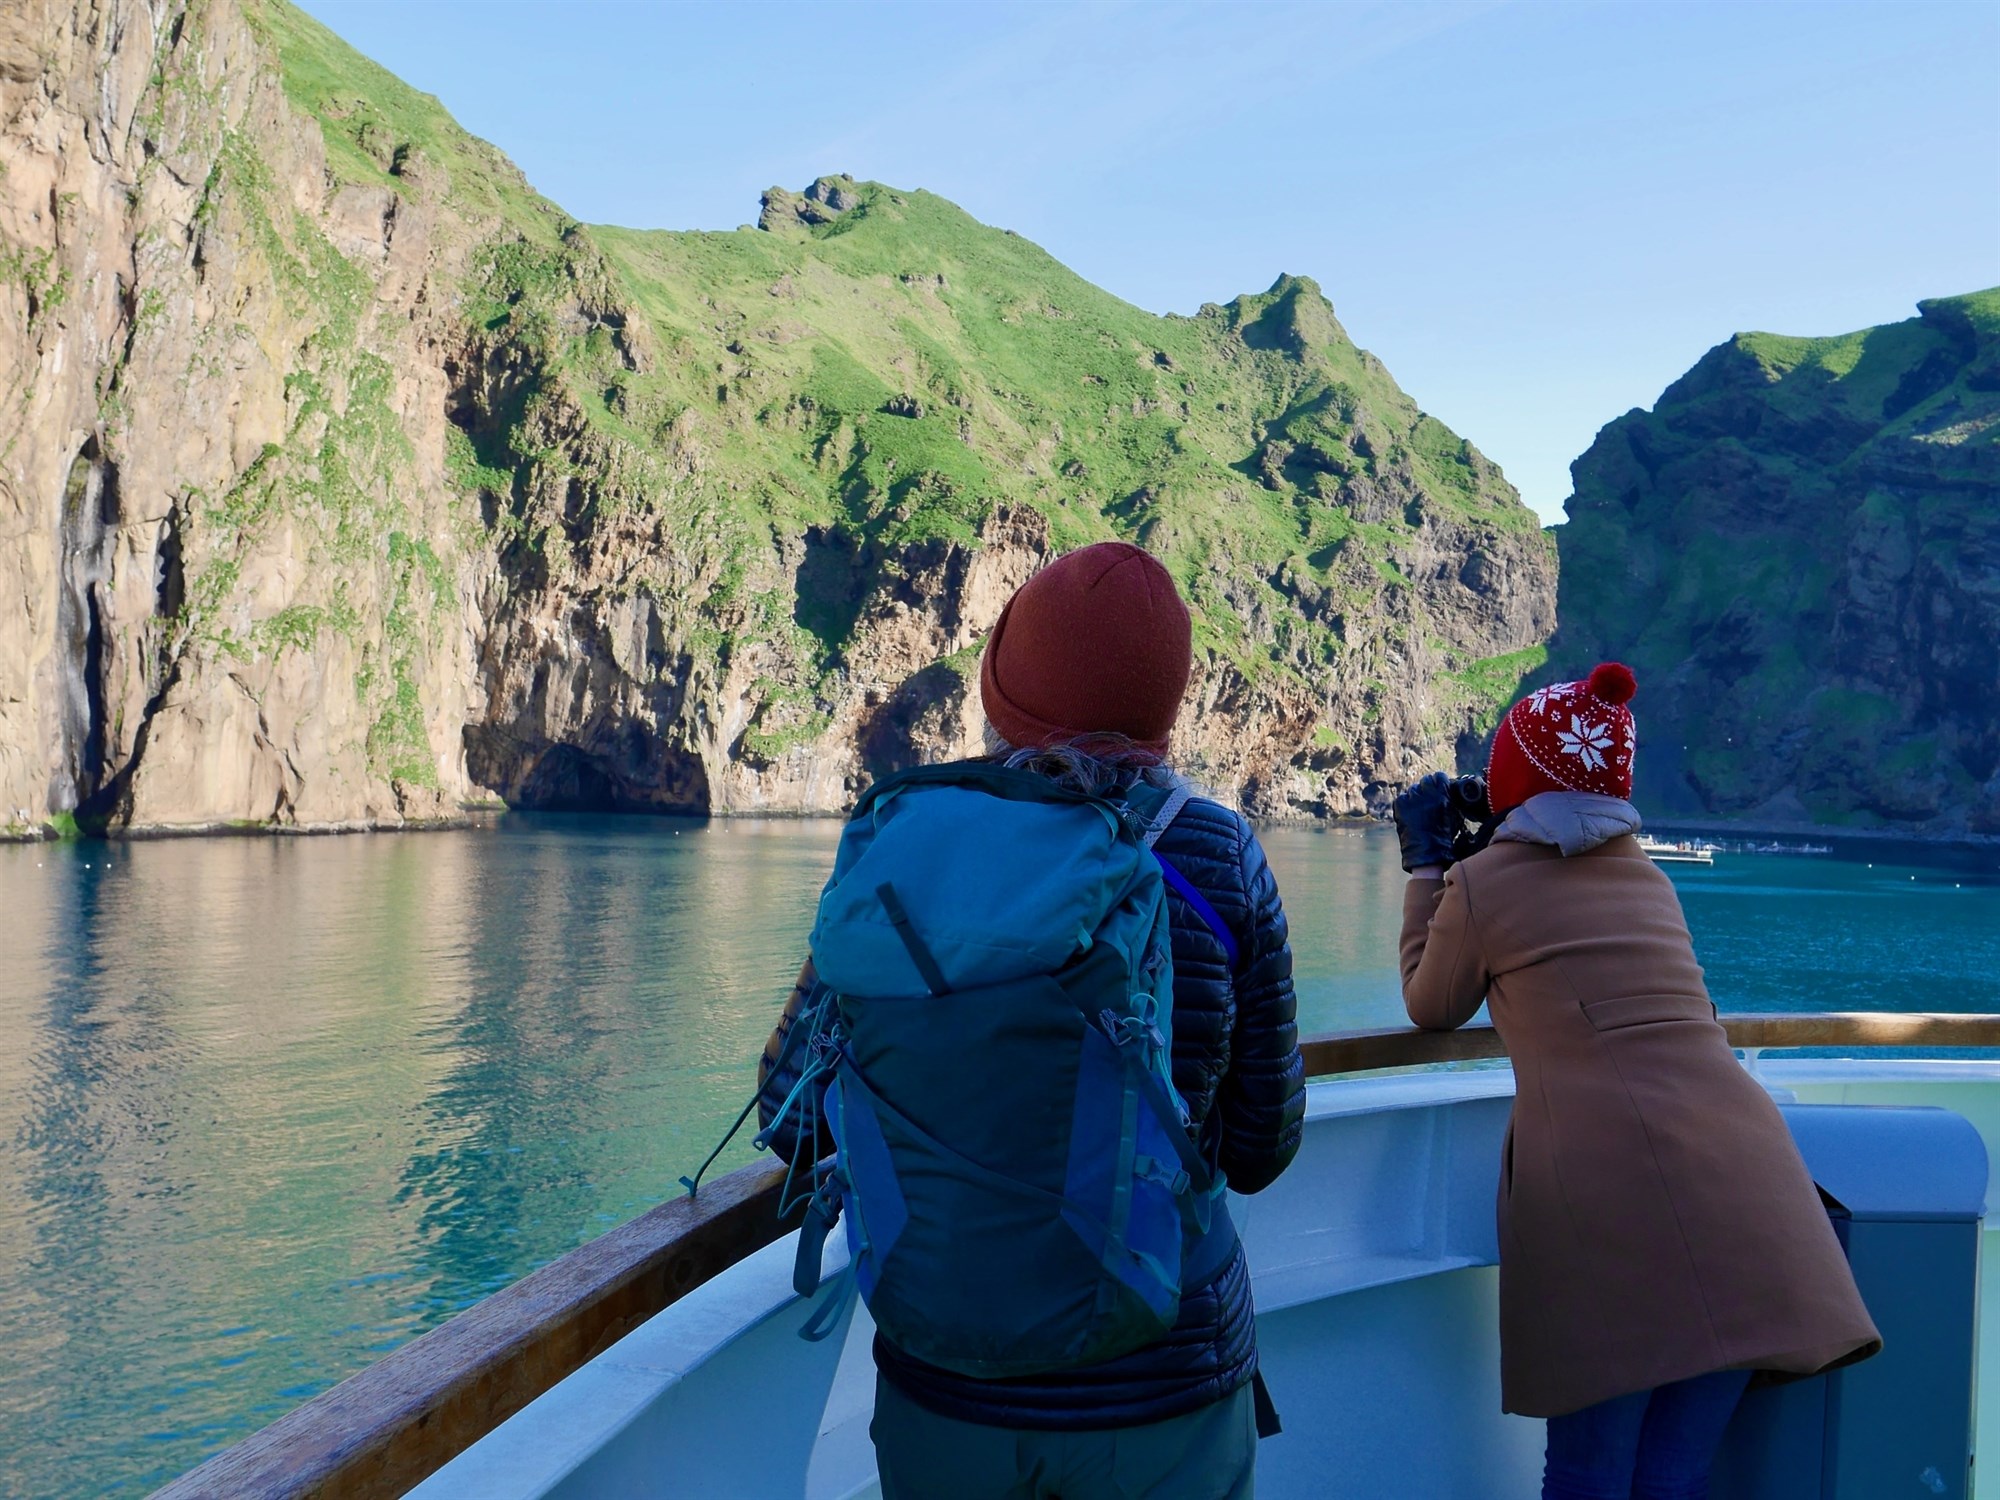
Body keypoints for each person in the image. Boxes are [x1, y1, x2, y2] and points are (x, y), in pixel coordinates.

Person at [756, 541, 1306, 1500]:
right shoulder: (1220, 857)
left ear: (999, 692)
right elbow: (1262, 1144)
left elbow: (792, 1114)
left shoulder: (907, 849)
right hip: (1163, 1385)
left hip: (947, 1390)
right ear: (1164, 711)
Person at [1393, 662, 1880, 1500]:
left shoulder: (1483, 882)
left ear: (1516, 778)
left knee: (1589, 1471)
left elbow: (1431, 1004)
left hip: (1608, 1203)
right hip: (1749, 1184)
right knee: (1674, 1476)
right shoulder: (1649, 880)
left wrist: (1429, 867)